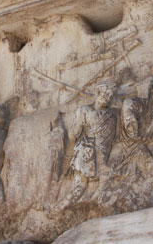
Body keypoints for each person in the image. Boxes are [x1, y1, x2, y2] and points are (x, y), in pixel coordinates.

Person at [57, 81, 119, 209]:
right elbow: (73, 135)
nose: (107, 98)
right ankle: (60, 209)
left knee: (107, 178)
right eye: (104, 94)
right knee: (79, 187)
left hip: (103, 153)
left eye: (110, 96)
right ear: (97, 93)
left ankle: (92, 205)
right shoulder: (84, 110)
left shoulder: (113, 115)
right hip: (87, 152)